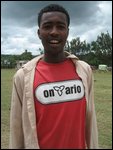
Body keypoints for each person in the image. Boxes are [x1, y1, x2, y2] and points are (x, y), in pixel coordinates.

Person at [9, 4, 98, 149]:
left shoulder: (84, 71)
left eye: (60, 26)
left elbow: (90, 121)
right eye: (48, 26)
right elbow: (16, 129)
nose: (54, 32)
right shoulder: (22, 76)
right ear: (39, 32)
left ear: (67, 32)